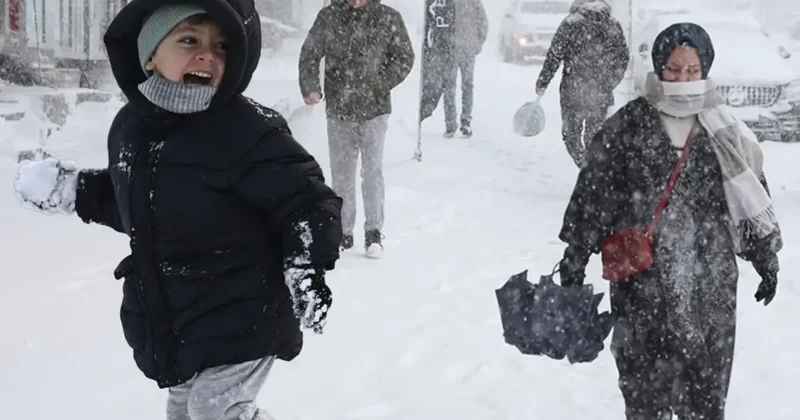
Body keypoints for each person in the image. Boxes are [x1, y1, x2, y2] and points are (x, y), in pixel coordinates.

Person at [13, 1, 343, 419]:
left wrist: (305, 265)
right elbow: (135, 204)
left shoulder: (246, 130)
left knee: (215, 409)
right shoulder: (131, 128)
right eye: (190, 40)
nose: (208, 54)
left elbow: (305, 199)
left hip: (245, 310)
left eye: (221, 46)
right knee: (184, 410)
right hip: (183, 318)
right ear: (150, 54)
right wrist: (72, 189)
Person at [556, 22, 782, 419]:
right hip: (642, 281)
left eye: (692, 71)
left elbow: (750, 194)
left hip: (708, 279)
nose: (682, 79)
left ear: (705, 69)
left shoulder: (724, 130)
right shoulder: (628, 125)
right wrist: (575, 256)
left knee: (706, 389)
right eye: (674, 70)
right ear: (659, 67)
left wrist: (766, 257)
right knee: (644, 390)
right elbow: (595, 192)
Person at [299, 0, 414, 259]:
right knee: (342, 173)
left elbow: (405, 57)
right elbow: (309, 53)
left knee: (372, 171)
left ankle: (374, 232)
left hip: (375, 110)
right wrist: (310, 86)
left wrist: (380, 83)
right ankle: (342, 232)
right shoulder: (329, 16)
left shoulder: (388, 17)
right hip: (340, 109)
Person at [535, 0, 629, 167]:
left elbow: (554, 56)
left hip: (572, 90)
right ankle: (593, 171)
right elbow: (622, 58)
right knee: (594, 136)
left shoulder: (570, 23)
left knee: (571, 135)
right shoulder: (612, 24)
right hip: (600, 92)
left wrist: (543, 82)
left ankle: (585, 166)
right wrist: (609, 83)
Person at [443, 0, 488, 138]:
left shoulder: (472, 2)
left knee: (459, 86)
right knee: (456, 86)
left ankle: (462, 122)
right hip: (454, 48)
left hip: (462, 48)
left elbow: (483, 22)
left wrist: (479, 42)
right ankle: (454, 123)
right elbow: (483, 22)